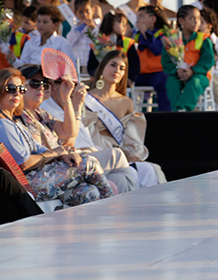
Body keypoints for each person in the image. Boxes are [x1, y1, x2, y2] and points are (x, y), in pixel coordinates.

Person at [0, 68, 115, 206]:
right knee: (89, 162)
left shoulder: (14, 120)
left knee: (88, 192)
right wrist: (55, 153)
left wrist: (61, 154)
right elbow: (24, 162)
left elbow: (41, 147)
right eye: (11, 88)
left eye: (21, 89)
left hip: (38, 177)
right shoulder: (2, 123)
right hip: (26, 184)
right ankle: (113, 207)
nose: (17, 93)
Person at [19, 64, 138, 193]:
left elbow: (68, 132)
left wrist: (67, 100)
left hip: (61, 164)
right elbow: (40, 153)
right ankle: (128, 205)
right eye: (35, 83)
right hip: (46, 172)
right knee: (113, 157)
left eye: (45, 83)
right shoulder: (21, 115)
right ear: (21, 87)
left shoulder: (41, 113)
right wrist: (60, 153)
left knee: (112, 182)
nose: (41, 88)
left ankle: (124, 207)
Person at [83, 51, 166, 187]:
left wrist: (131, 153)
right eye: (113, 65)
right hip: (98, 153)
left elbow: (131, 135)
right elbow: (85, 131)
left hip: (122, 154)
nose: (117, 71)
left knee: (149, 170)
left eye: (122, 68)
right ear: (103, 67)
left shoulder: (126, 102)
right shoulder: (86, 99)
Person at [162, 5, 214, 111]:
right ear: (181, 21)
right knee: (172, 84)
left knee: (194, 84)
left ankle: (183, 110)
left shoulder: (203, 38)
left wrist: (193, 71)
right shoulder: (172, 39)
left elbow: (208, 60)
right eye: (192, 18)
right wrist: (176, 71)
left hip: (199, 76)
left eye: (198, 19)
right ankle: (175, 111)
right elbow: (166, 60)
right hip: (178, 74)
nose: (196, 22)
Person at [134, 5, 170, 111]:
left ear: (153, 19)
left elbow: (157, 50)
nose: (138, 21)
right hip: (140, 73)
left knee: (165, 81)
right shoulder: (136, 35)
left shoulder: (164, 34)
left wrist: (146, 34)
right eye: (137, 18)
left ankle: (166, 115)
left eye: (141, 17)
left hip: (157, 72)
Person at [87, 12, 140, 80]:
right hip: (101, 81)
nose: (125, 27)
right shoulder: (98, 43)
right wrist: (100, 75)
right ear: (110, 23)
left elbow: (134, 66)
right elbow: (92, 67)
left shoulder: (128, 43)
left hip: (121, 80)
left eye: (125, 24)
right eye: (122, 23)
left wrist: (128, 79)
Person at [66, 0, 99, 73]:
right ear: (75, 13)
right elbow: (69, 43)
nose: (84, 15)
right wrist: (78, 29)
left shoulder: (98, 26)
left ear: (93, 10)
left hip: (92, 65)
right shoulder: (74, 27)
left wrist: (92, 28)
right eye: (81, 12)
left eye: (87, 11)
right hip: (77, 66)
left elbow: (100, 41)